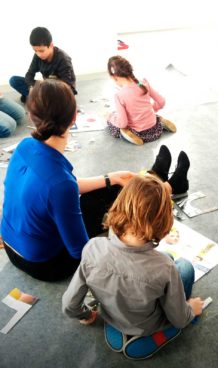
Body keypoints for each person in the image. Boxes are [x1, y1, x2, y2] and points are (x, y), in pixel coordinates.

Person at [1, 79, 190, 282]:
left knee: (113, 186)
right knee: (114, 204)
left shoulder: (25, 145)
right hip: (46, 264)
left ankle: (155, 177)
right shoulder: (60, 184)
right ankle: (169, 187)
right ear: (74, 117)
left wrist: (111, 178)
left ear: (31, 115)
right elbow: (81, 251)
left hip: (13, 249)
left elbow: (61, 186)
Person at [62, 175, 204, 358]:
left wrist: (86, 315)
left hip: (112, 316)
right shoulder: (164, 268)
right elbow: (179, 319)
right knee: (184, 267)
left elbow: (69, 305)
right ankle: (149, 336)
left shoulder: (92, 248)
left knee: (168, 259)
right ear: (163, 223)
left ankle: (122, 327)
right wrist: (191, 309)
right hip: (147, 325)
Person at [106, 55, 176, 145]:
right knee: (152, 115)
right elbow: (161, 101)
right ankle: (161, 122)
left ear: (114, 77)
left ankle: (129, 134)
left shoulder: (119, 95)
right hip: (155, 129)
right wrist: (152, 108)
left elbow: (123, 123)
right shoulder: (143, 83)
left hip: (139, 133)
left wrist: (110, 117)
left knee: (113, 123)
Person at [9, 27, 76, 103]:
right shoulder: (37, 55)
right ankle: (37, 98)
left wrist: (46, 89)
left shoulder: (63, 58)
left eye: (41, 51)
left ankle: (37, 99)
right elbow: (29, 74)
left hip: (61, 90)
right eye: (35, 50)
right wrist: (32, 87)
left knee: (57, 99)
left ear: (51, 45)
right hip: (46, 86)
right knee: (14, 80)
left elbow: (67, 85)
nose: (39, 54)